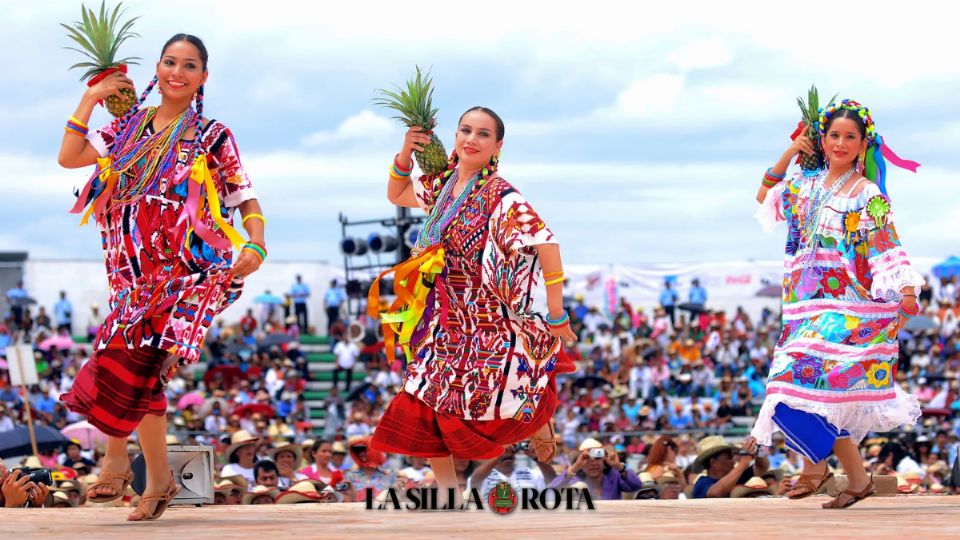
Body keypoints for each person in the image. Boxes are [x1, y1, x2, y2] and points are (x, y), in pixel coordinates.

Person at [57, 34, 266, 522]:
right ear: (157, 67)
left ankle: (115, 462)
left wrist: (255, 242)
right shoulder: (128, 127)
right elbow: (70, 157)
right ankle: (159, 480)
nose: (178, 71)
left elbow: (243, 197)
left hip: (190, 271)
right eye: (170, 62)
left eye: (189, 65)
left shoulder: (213, 135)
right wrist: (90, 98)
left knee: (137, 360)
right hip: (131, 277)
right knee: (138, 370)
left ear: (203, 78)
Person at [368, 106, 577, 509]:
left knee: (494, 397)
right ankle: (449, 492)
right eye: (465, 130)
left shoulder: (502, 196)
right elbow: (396, 193)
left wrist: (556, 313)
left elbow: (547, 245)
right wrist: (404, 154)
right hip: (445, 316)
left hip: (490, 318)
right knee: (422, 398)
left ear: (498, 146)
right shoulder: (444, 184)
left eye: (483, 134)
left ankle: (539, 416)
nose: (471, 139)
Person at [751, 99, 923, 509]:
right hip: (804, 306)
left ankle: (818, 468)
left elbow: (886, 242)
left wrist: (907, 290)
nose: (841, 143)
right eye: (833, 136)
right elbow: (764, 196)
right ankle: (851, 477)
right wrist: (792, 151)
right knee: (805, 393)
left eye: (850, 137)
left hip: (850, 307)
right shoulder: (804, 185)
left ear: (864, 144)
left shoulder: (867, 194)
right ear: (821, 140)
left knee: (790, 385)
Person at [549, 438, 641, 500]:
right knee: (580, 487)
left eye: (597, 457)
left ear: (604, 461)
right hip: (584, 524)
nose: (593, 462)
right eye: (586, 458)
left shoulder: (614, 476)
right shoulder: (575, 480)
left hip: (612, 524)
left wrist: (618, 466)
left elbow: (636, 485)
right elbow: (551, 491)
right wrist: (575, 467)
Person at [691, 436, 757, 498]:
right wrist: (743, 463)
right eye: (729, 457)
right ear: (713, 462)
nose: (733, 462)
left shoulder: (737, 476)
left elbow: (762, 467)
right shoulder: (702, 482)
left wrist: (758, 450)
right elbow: (715, 493)